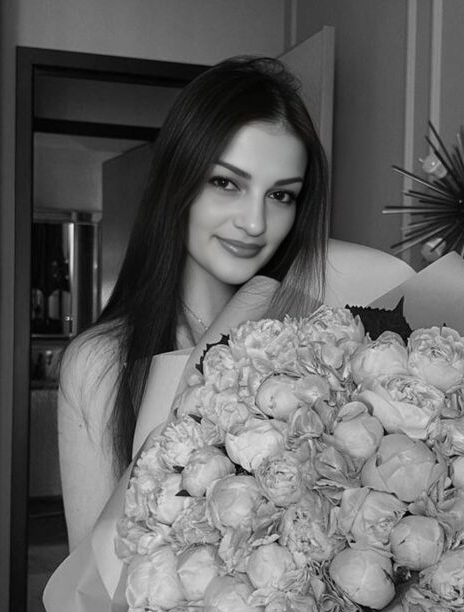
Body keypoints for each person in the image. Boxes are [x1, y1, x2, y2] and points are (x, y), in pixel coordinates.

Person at [58, 55, 329, 552]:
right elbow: (90, 579)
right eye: (226, 183)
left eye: (281, 196)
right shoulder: (101, 362)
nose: (254, 222)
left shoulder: (315, 351)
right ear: (177, 181)